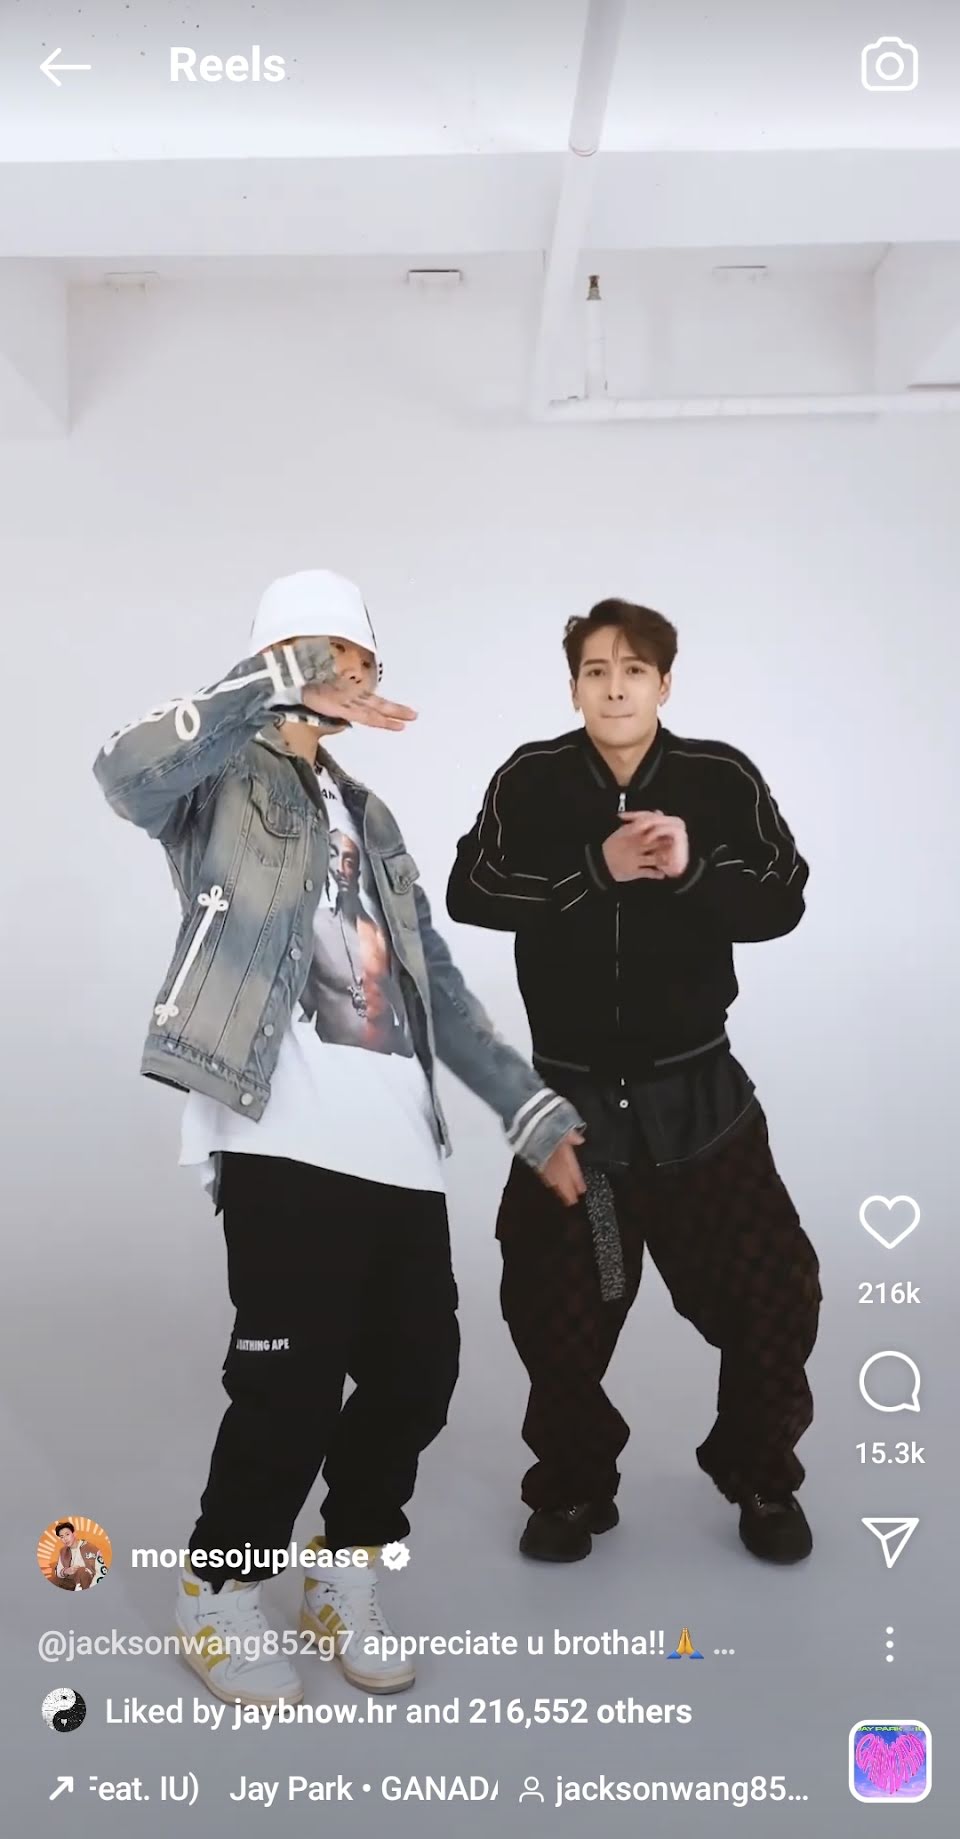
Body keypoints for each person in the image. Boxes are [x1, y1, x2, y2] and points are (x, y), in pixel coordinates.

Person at [93, 569, 584, 1704]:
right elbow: (121, 768)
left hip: (398, 1140)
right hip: (278, 1125)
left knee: (421, 1374)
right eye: (320, 652)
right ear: (276, 659)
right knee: (292, 1384)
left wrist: (527, 1108)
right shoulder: (215, 778)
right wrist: (270, 685)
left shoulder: (374, 815)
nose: (346, 673)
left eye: (358, 656)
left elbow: (437, 986)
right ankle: (218, 1589)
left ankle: (344, 1565)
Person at [446, 597, 821, 1567]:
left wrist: (693, 868)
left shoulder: (718, 777)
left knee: (773, 1294)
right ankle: (574, 1486)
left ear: (665, 683)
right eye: (596, 671)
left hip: (699, 1105)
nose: (615, 688)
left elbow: (782, 896)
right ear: (574, 685)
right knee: (563, 1308)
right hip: (578, 1117)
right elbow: (470, 889)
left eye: (634, 670)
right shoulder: (532, 779)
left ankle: (761, 1473)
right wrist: (596, 870)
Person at [51, 1522, 102, 1590]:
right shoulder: (63, 1551)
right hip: (70, 1583)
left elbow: (101, 1572)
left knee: (82, 1571)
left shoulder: (91, 1548)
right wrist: (66, 1571)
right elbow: (58, 1572)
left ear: (74, 1534)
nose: (65, 1539)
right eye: (62, 1537)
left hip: (88, 1583)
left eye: (67, 1534)